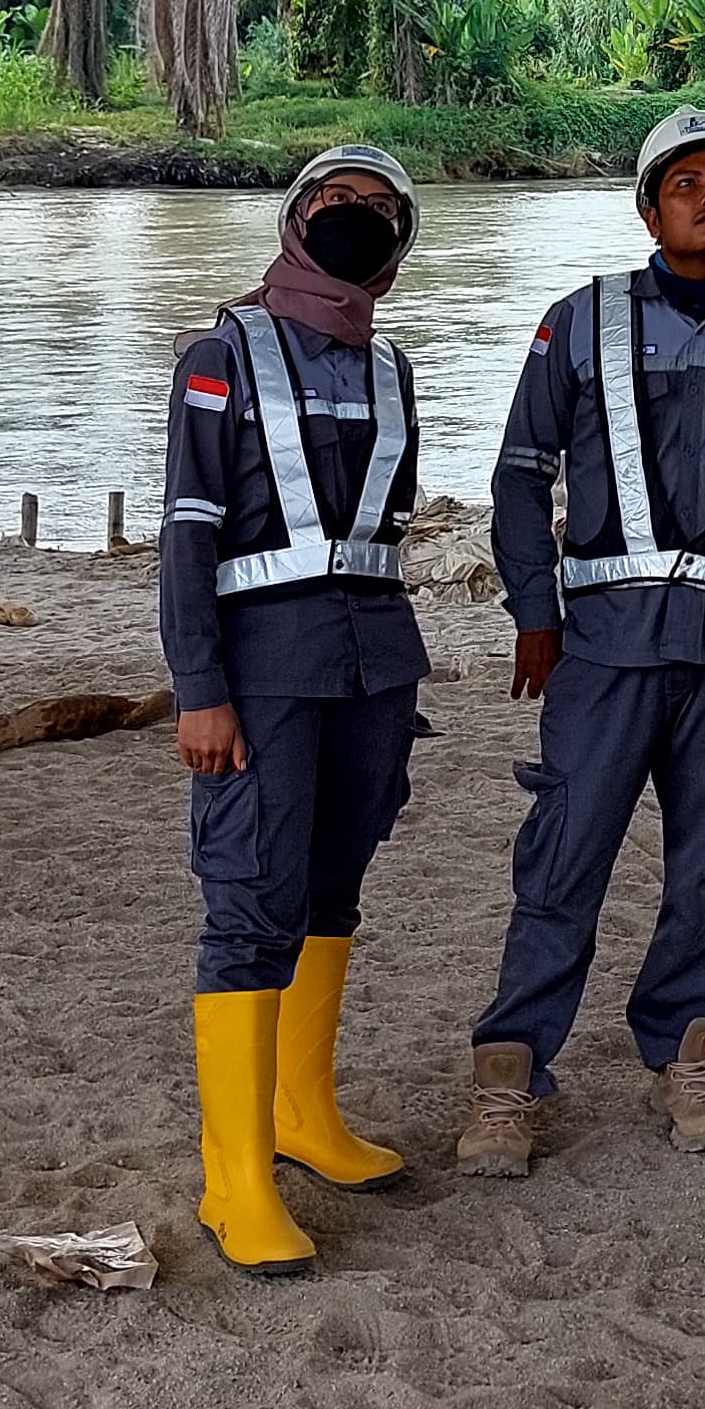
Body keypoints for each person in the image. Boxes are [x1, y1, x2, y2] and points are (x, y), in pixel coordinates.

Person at [454, 104, 705, 1175]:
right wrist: (536, 611)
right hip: (607, 645)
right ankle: (511, 1072)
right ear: (647, 209)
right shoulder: (580, 322)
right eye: (687, 182)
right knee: (565, 855)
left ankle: (684, 1047)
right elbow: (521, 477)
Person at [160, 142, 432, 1278]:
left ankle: (302, 1115)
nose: (354, 216)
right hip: (262, 665)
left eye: (378, 207)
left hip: (374, 660)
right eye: (335, 200)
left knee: (333, 889)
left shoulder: (394, 367)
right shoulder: (221, 351)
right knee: (251, 902)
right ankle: (234, 1182)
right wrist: (200, 688)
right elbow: (187, 532)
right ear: (294, 217)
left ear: (400, 243)